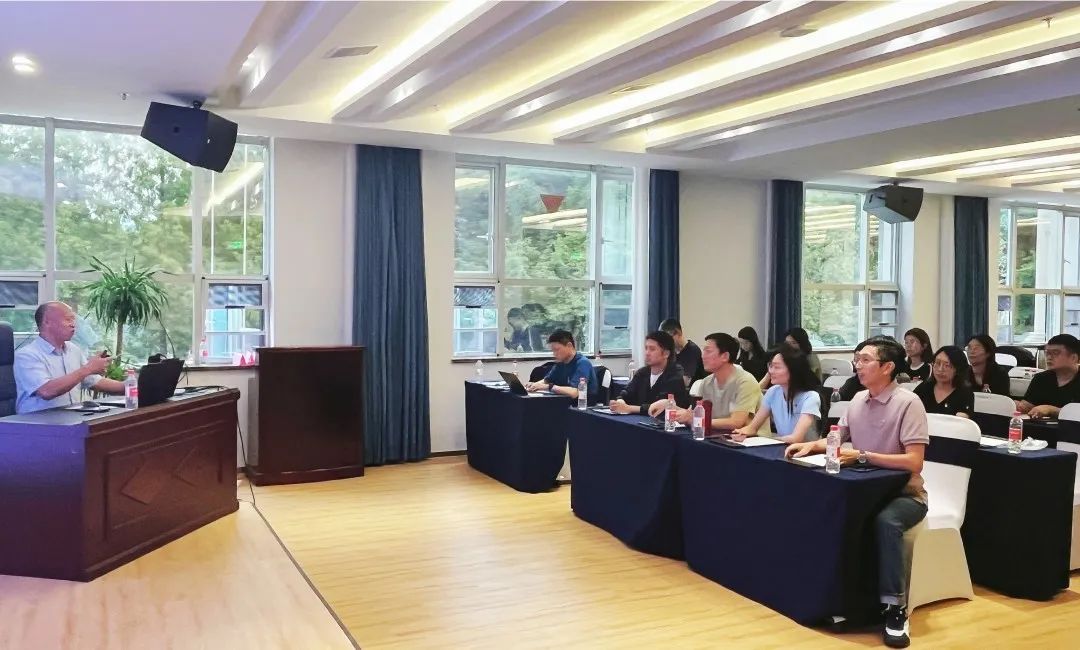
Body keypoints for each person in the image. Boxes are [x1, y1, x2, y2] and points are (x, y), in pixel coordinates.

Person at [787, 338, 928, 648]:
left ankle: (895, 608)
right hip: (864, 490)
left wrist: (862, 456)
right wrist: (811, 444)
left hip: (904, 495)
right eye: (857, 359)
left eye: (865, 360)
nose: (858, 366)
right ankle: (835, 598)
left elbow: (914, 462)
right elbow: (837, 438)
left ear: (887, 367)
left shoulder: (909, 403)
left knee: (887, 522)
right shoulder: (858, 399)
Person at [14, 301, 125, 414]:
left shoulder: (73, 349)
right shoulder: (26, 355)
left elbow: (93, 381)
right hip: (38, 422)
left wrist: (130, 386)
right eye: (68, 319)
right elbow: (46, 391)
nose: (73, 324)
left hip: (73, 418)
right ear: (47, 322)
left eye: (73, 320)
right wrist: (88, 368)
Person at [658, 332, 763, 431]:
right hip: (717, 436)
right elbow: (691, 413)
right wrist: (668, 405)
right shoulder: (706, 382)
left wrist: (696, 420)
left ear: (725, 356)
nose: (703, 356)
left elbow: (736, 422)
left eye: (708, 351)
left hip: (750, 440)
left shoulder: (745, 382)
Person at [732, 346, 820, 442]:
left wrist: (767, 441)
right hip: (782, 445)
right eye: (770, 366)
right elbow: (752, 428)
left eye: (777, 367)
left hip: (804, 449)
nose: (771, 371)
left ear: (794, 370)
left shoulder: (810, 397)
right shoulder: (773, 392)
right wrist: (739, 433)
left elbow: (795, 438)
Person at [610, 331, 689, 414]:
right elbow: (626, 393)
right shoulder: (642, 373)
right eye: (646, 348)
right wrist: (620, 402)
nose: (647, 353)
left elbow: (660, 407)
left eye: (652, 349)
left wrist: (629, 408)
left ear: (666, 354)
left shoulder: (675, 374)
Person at [1017, 333, 1080, 419]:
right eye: (1047, 353)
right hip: (1040, 426)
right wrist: (1021, 406)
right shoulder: (1041, 378)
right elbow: (1028, 405)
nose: (1049, 357)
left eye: (1055, 353)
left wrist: (1051, 410)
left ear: (1074, 358)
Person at [525, 330, 597, 401]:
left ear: (569, 346)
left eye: (557, 350)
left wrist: (548, 387)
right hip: (563, 402)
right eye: (553, 351)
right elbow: (547, 380)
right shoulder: (560, 363)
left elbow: (574, 393)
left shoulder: (582, 363)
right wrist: (534, 385)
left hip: (581, 405)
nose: (554, 354)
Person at [913, 345, 974, 418]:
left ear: (958, 369)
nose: (940, 369)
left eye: (947, 365)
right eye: (937, 363)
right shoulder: (924, 388)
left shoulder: (965, 393)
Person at [659, 318, 704, 385]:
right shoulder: (670, 351)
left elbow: (685, 381)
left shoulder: (692, 350)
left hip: (690, 390)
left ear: (679, 333)